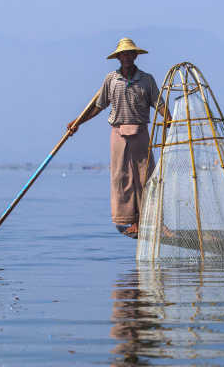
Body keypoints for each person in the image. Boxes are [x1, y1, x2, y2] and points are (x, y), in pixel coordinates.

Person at [67, 38, 171, 236]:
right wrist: (78, 122)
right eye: (122, 54)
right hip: (117, 132)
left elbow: (159, 103)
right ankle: (130, 220)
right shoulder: (111, 79)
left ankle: (148, 220)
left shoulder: (147, 80)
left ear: (135, 56)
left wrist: (168, 118)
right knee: (121, 177)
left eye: (129, 54)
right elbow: (98, 106)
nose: (125, 57)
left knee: (146, 177)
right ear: (117, 57)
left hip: (140, 131)